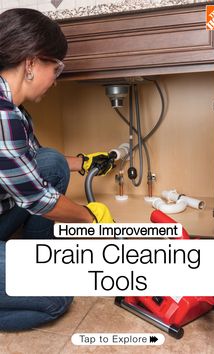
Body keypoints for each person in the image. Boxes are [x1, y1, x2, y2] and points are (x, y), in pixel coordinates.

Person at [0, 8, 114, 331]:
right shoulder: (2, 115)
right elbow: (38, 199)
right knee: (57, 296)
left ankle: (28, 264)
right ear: (32, 63)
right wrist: (90, 218)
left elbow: (29, 161)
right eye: (56, 67)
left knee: (51, 162)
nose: (56, 78)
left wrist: (85, 162)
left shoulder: (13, 109)